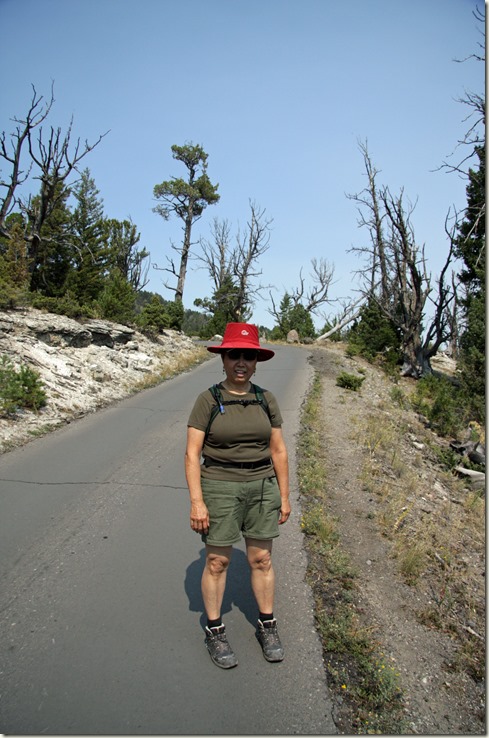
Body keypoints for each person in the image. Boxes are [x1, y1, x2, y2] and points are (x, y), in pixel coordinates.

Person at [185, 323, 291, 669]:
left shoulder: (265, 399)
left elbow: (278, 450)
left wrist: (284, 496)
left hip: (261, 486)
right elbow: (192, 454)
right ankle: (215, 629)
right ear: (224, 359)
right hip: (219, 486)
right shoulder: (208, 400)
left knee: (261, 559)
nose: (241, 362)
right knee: (218, 561)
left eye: (248, 356)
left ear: (257, 362)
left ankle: (267, 624)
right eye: (234, 355)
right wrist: (197, 502)